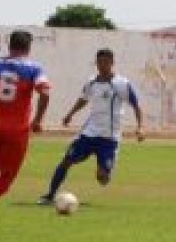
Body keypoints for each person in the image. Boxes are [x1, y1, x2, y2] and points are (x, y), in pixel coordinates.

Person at [39, 49, 145, 205]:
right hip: (88, 134)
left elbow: (136, 106)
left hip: (109, 138)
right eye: (99, 62)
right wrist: (70, 114)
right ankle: (50, 195)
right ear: (96, 63)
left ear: (112, 62)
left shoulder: (121, 84)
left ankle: (104, 169)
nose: (102, 65)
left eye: (106, 62)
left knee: (102, 179)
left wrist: (140, 127)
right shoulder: (91, 82)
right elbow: (83, 99)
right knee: (66, 161)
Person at [0, 31, 51, 228]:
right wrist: (38, 120)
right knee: (7, 177)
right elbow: (45, 93)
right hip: (17, 131)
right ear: (28, 48)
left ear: (9, 45)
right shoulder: (34, 68)